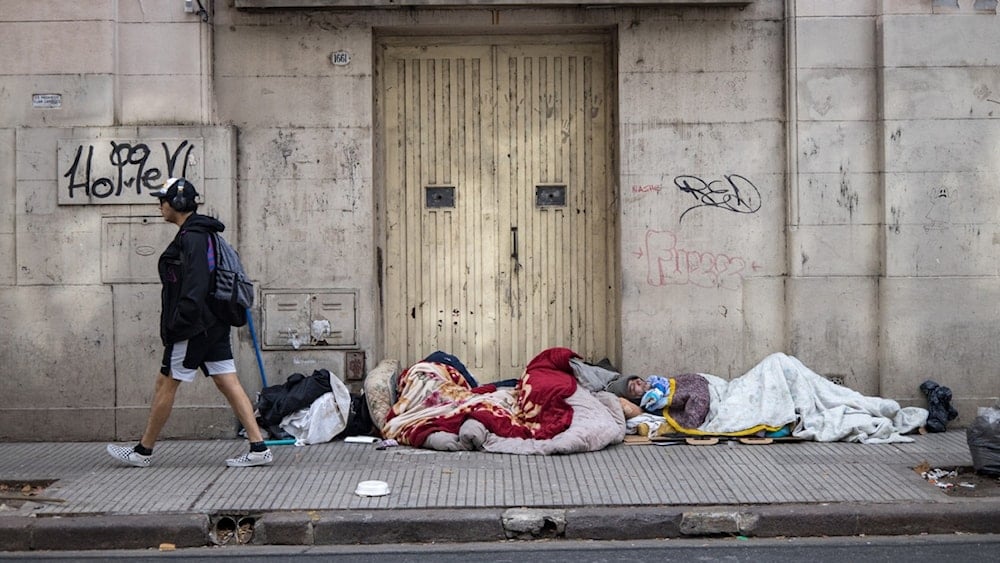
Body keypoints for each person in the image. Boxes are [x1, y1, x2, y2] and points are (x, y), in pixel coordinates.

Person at [106, 178, 272, 468]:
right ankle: (259, 447)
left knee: (165, 383)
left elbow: (195, 285)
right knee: (226, 380)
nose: (160, 205)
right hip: (213, 323)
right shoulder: (201, 233)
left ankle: (143, 451)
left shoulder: (193, 237)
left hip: (193, 326)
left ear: (178, 204)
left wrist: (178, 324)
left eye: (164, 200)